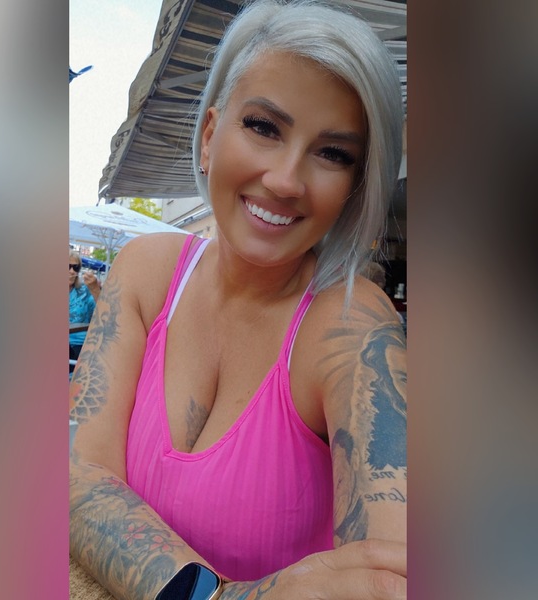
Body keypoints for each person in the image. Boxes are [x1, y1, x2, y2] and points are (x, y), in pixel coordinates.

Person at [70, 1, 406, 598]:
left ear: (354, 188)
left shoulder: (351, 327)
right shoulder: (145, 271)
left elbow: (392, 574)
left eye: (333, 154)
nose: (285, 180)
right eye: (264, 127)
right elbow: (75, 474)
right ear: (208, 138)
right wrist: (222, 595)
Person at [69, 250, 101, 366]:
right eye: (68, 266)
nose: (72, 271)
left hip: (80, 345)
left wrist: (95, 290)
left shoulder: (84, 291)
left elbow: (103, 312)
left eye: (76, 267)